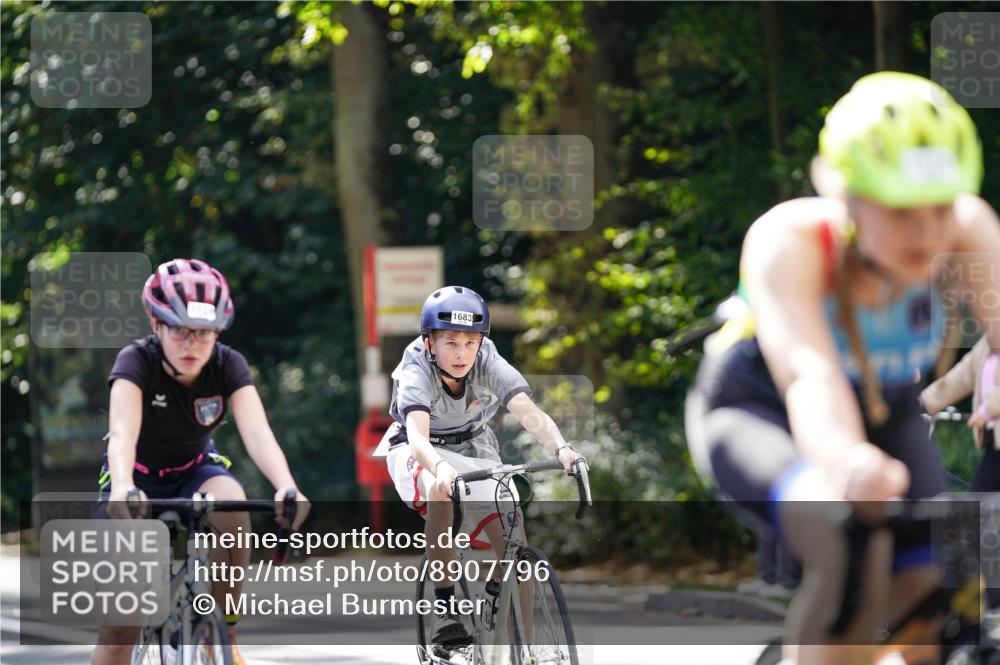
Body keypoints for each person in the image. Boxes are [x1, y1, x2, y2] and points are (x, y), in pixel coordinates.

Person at [685, 72, 1000, 665]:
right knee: (847, 537)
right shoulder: (792, 239)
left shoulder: (968, 227)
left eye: (940, 208)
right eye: (901, 210)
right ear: (848, 196)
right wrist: (847, 461)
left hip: (884, 406)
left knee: (939, 582)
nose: (927, 232)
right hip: (761, 407)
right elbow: (809, 373)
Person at [91, 258, 311, 665]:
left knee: (233, 504)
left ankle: (224, 629)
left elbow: (258, 434)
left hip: (194, 471)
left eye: (205, 333)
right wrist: (122, 486)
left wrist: (286, 485)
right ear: (156, 325)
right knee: (119, 632)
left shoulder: (228, 365)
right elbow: (122, 435)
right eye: (180, 330)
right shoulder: (135, 362)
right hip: (135, 480)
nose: (193, 344)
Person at [373, 285, 584, 658]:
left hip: (474, 445)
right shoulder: (414, 367)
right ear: (429, 342)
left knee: (514, 542)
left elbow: (524, 408)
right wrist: (438, 469)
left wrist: (562, 448)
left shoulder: (487, 357)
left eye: (470, 342)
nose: (461, 352)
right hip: (419, 447)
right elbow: (419, 439)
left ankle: (521, 647)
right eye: (451, 342)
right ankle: (444, 609)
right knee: (440, 489)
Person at [920, 335, 1000, 620]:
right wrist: (922, 403)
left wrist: (986, 410)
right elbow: (961, 376)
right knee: (977, 517)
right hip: (994, 448)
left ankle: (992, 599)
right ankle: (991, 600)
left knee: (976, 514)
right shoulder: (988, 343)